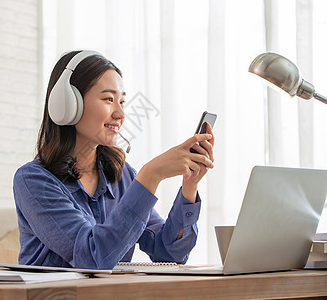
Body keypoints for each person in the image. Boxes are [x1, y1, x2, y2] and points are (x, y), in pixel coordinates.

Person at [13, 50, 215, 269]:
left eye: (122, 101)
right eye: (109, 99)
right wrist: (151, 175)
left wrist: (189, 186)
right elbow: (92, 257)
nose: (120, 114)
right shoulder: (34, 181)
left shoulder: (122, 175)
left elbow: (167, 252)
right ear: (68, 104)